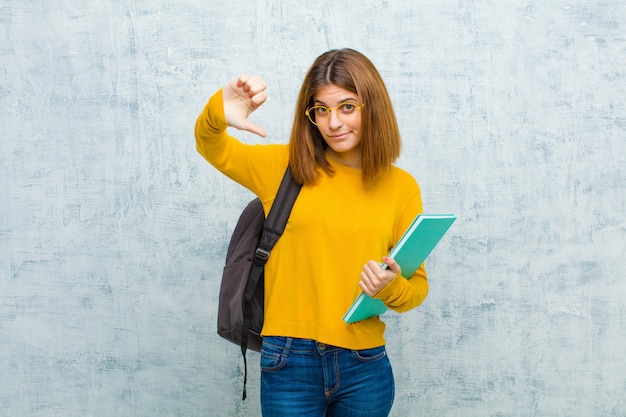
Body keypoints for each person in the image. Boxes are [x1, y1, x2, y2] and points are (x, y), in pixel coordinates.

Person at [195, 48, 428, 417]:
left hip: (365, 366)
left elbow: (416, 288)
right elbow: (212, 145)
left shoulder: (402, 188)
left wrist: (391, 288)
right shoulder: (282, 168)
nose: (333, 122)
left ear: (373, 107)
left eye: (347, 107)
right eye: (321, 109)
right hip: (289, 362)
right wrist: (217, 114)